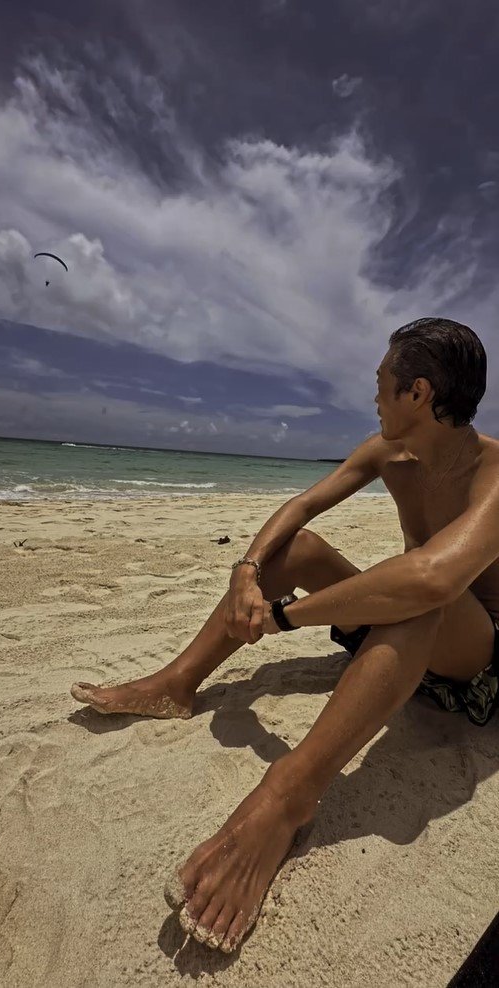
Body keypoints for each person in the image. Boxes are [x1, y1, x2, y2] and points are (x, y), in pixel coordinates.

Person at [71, 317, 499, 954]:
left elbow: (434, 576)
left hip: (475, 656)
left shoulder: (494, 470)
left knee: (423, 590)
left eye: (380, 382)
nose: (373, 396)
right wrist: (248, 570)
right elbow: (301, 508)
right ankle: (178, 683)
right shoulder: (387, 454)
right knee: (300, 548)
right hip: (405, 628)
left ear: (417, 392)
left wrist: (285, 617)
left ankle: (289, 795)